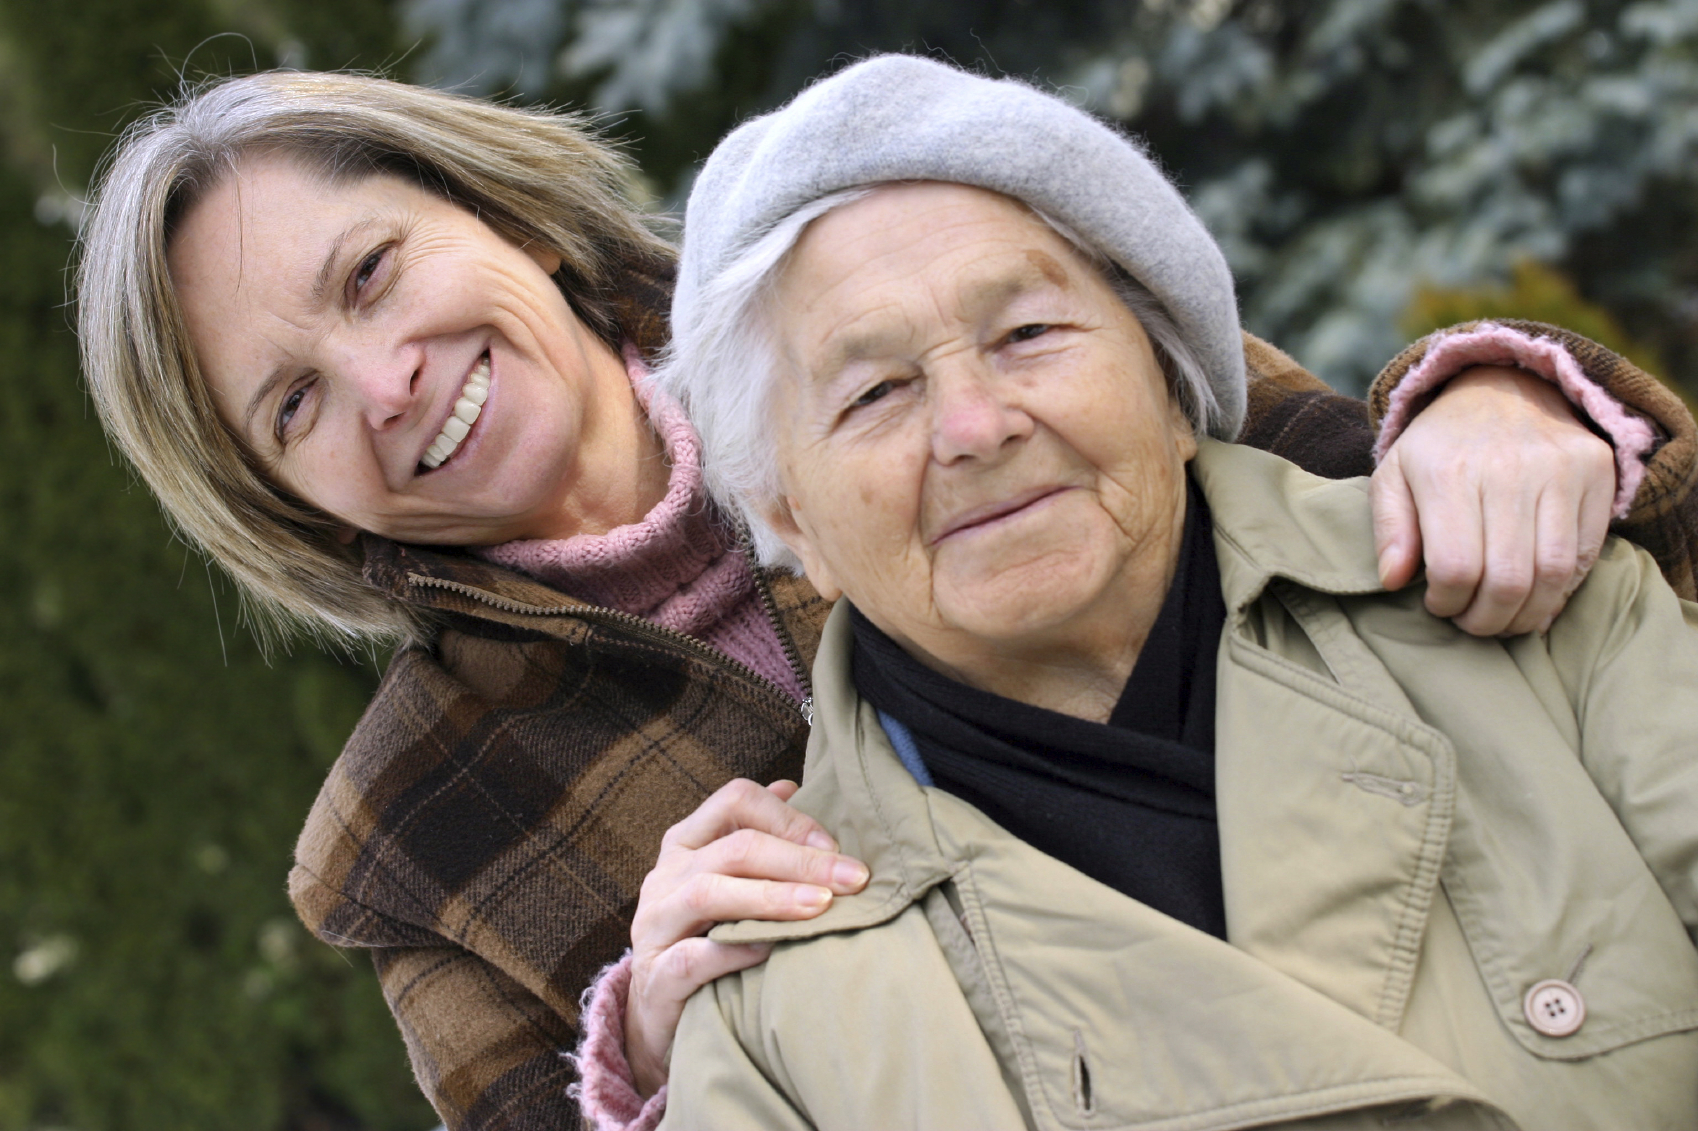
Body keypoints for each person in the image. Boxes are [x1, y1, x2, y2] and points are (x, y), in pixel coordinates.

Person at [71, 67, 1697, 1131]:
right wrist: (638, 1058)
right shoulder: (418, 832)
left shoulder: (870, 268)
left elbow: (1367, 523)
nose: (381, 377)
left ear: (503, 219)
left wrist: (1511, 401)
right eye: (289, 405)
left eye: (370, 275)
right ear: (278, 500)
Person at [650, 54, 1698, 1129]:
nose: (976, 426)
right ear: (789, 522)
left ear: (1168, 374)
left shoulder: (1528, 608)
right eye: (875, 392)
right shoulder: (769, 1013)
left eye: (1027, 335)